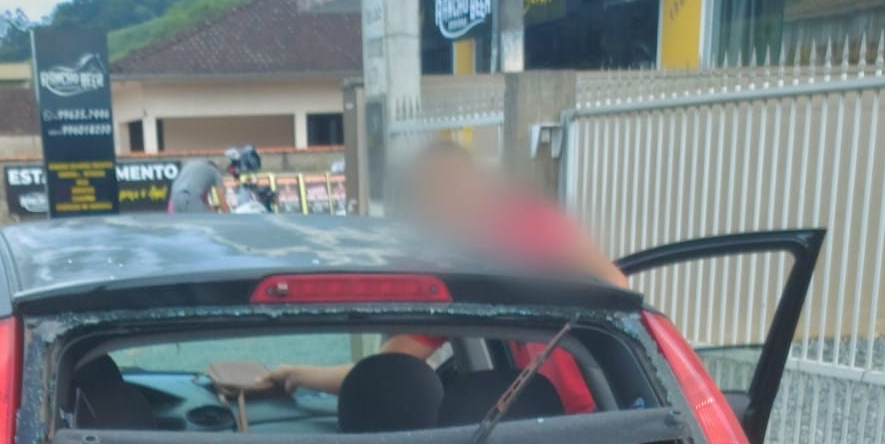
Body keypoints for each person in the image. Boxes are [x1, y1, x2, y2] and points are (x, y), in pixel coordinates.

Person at [266, 140, 622, 407]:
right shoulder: (454, 275)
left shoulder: (533, 226)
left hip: (601, 416)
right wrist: (298, 375)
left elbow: (617, 293)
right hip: (554, 427)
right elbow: (382, 371)